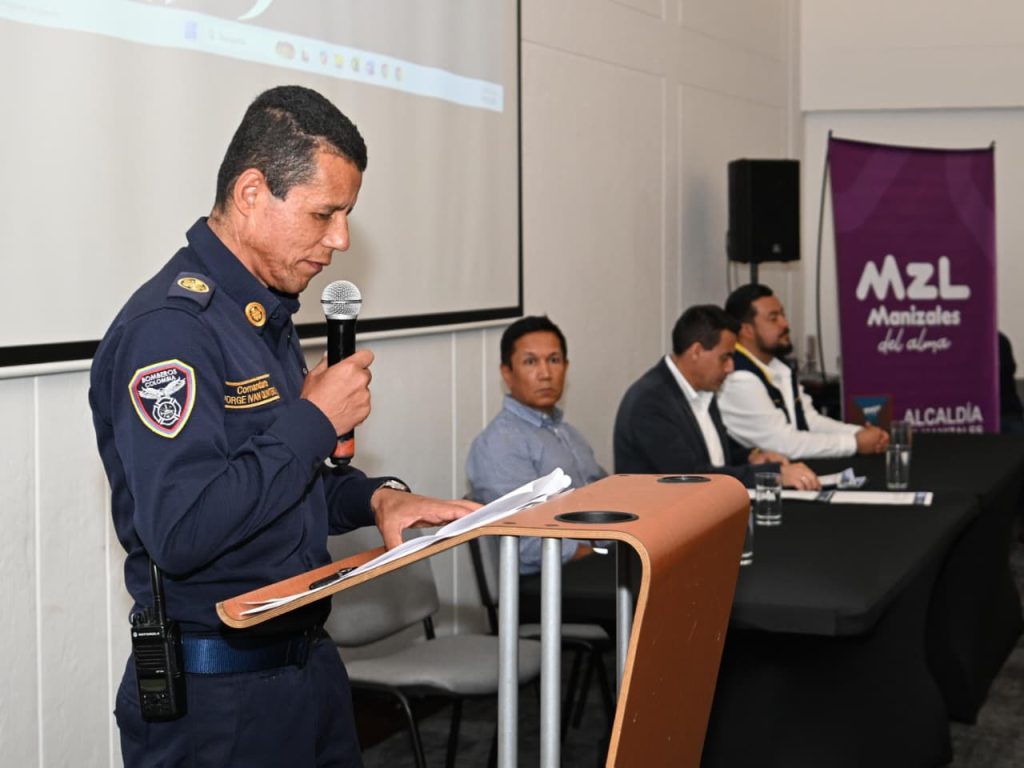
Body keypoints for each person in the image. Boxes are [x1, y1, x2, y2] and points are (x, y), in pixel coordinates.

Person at [89, 85, 476, 768]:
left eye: (347, 216)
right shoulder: (171, 333)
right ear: (251, 193)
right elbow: (183, 530)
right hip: (219, 698)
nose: (341, 239)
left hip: (306, 668)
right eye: (324, 213)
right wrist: (314, 418)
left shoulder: (260, 315)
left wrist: (376, 499)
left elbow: (278, 486)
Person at [613, 305, 820, 489]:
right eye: (725, 358)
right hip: (662, 517)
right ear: (696, 351)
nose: (730, 367)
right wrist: (772, 475)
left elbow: (713, 451)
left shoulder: (702, 387)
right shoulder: (650, 402)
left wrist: (751, 457)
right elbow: (691, 477)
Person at [467, 315, 606, 574]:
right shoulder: (500, 443)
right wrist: (604, 557)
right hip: (549, 577)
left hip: (594, 559)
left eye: (554, 360)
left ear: (566, 366)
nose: (545, 374)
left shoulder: (569, 433)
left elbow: (608, 499)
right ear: (507, 373)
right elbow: (527, 539)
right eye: (530, 362)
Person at [718, 283, 889, 460]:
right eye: (773, 318)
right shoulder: (737, 377)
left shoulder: (778, 366)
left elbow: (808, 420)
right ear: (746, 330)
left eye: (782, 314)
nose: (785, 324)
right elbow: (783, 444)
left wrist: (860, 433)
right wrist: (854, 443)